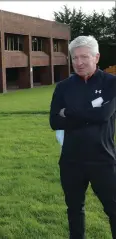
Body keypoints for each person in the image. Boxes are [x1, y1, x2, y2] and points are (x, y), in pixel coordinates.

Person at [49, 35, 116, 238]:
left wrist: (69, 112)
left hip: (103, 159)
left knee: (113, 210)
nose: (78, 62)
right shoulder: (63, 87)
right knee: (74, 210)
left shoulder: (111, 83)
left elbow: (104, 115)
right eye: (74, 58)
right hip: (71, 160)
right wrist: (90, 114)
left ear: (96, 57)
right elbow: (54, 121)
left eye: (84, 57)